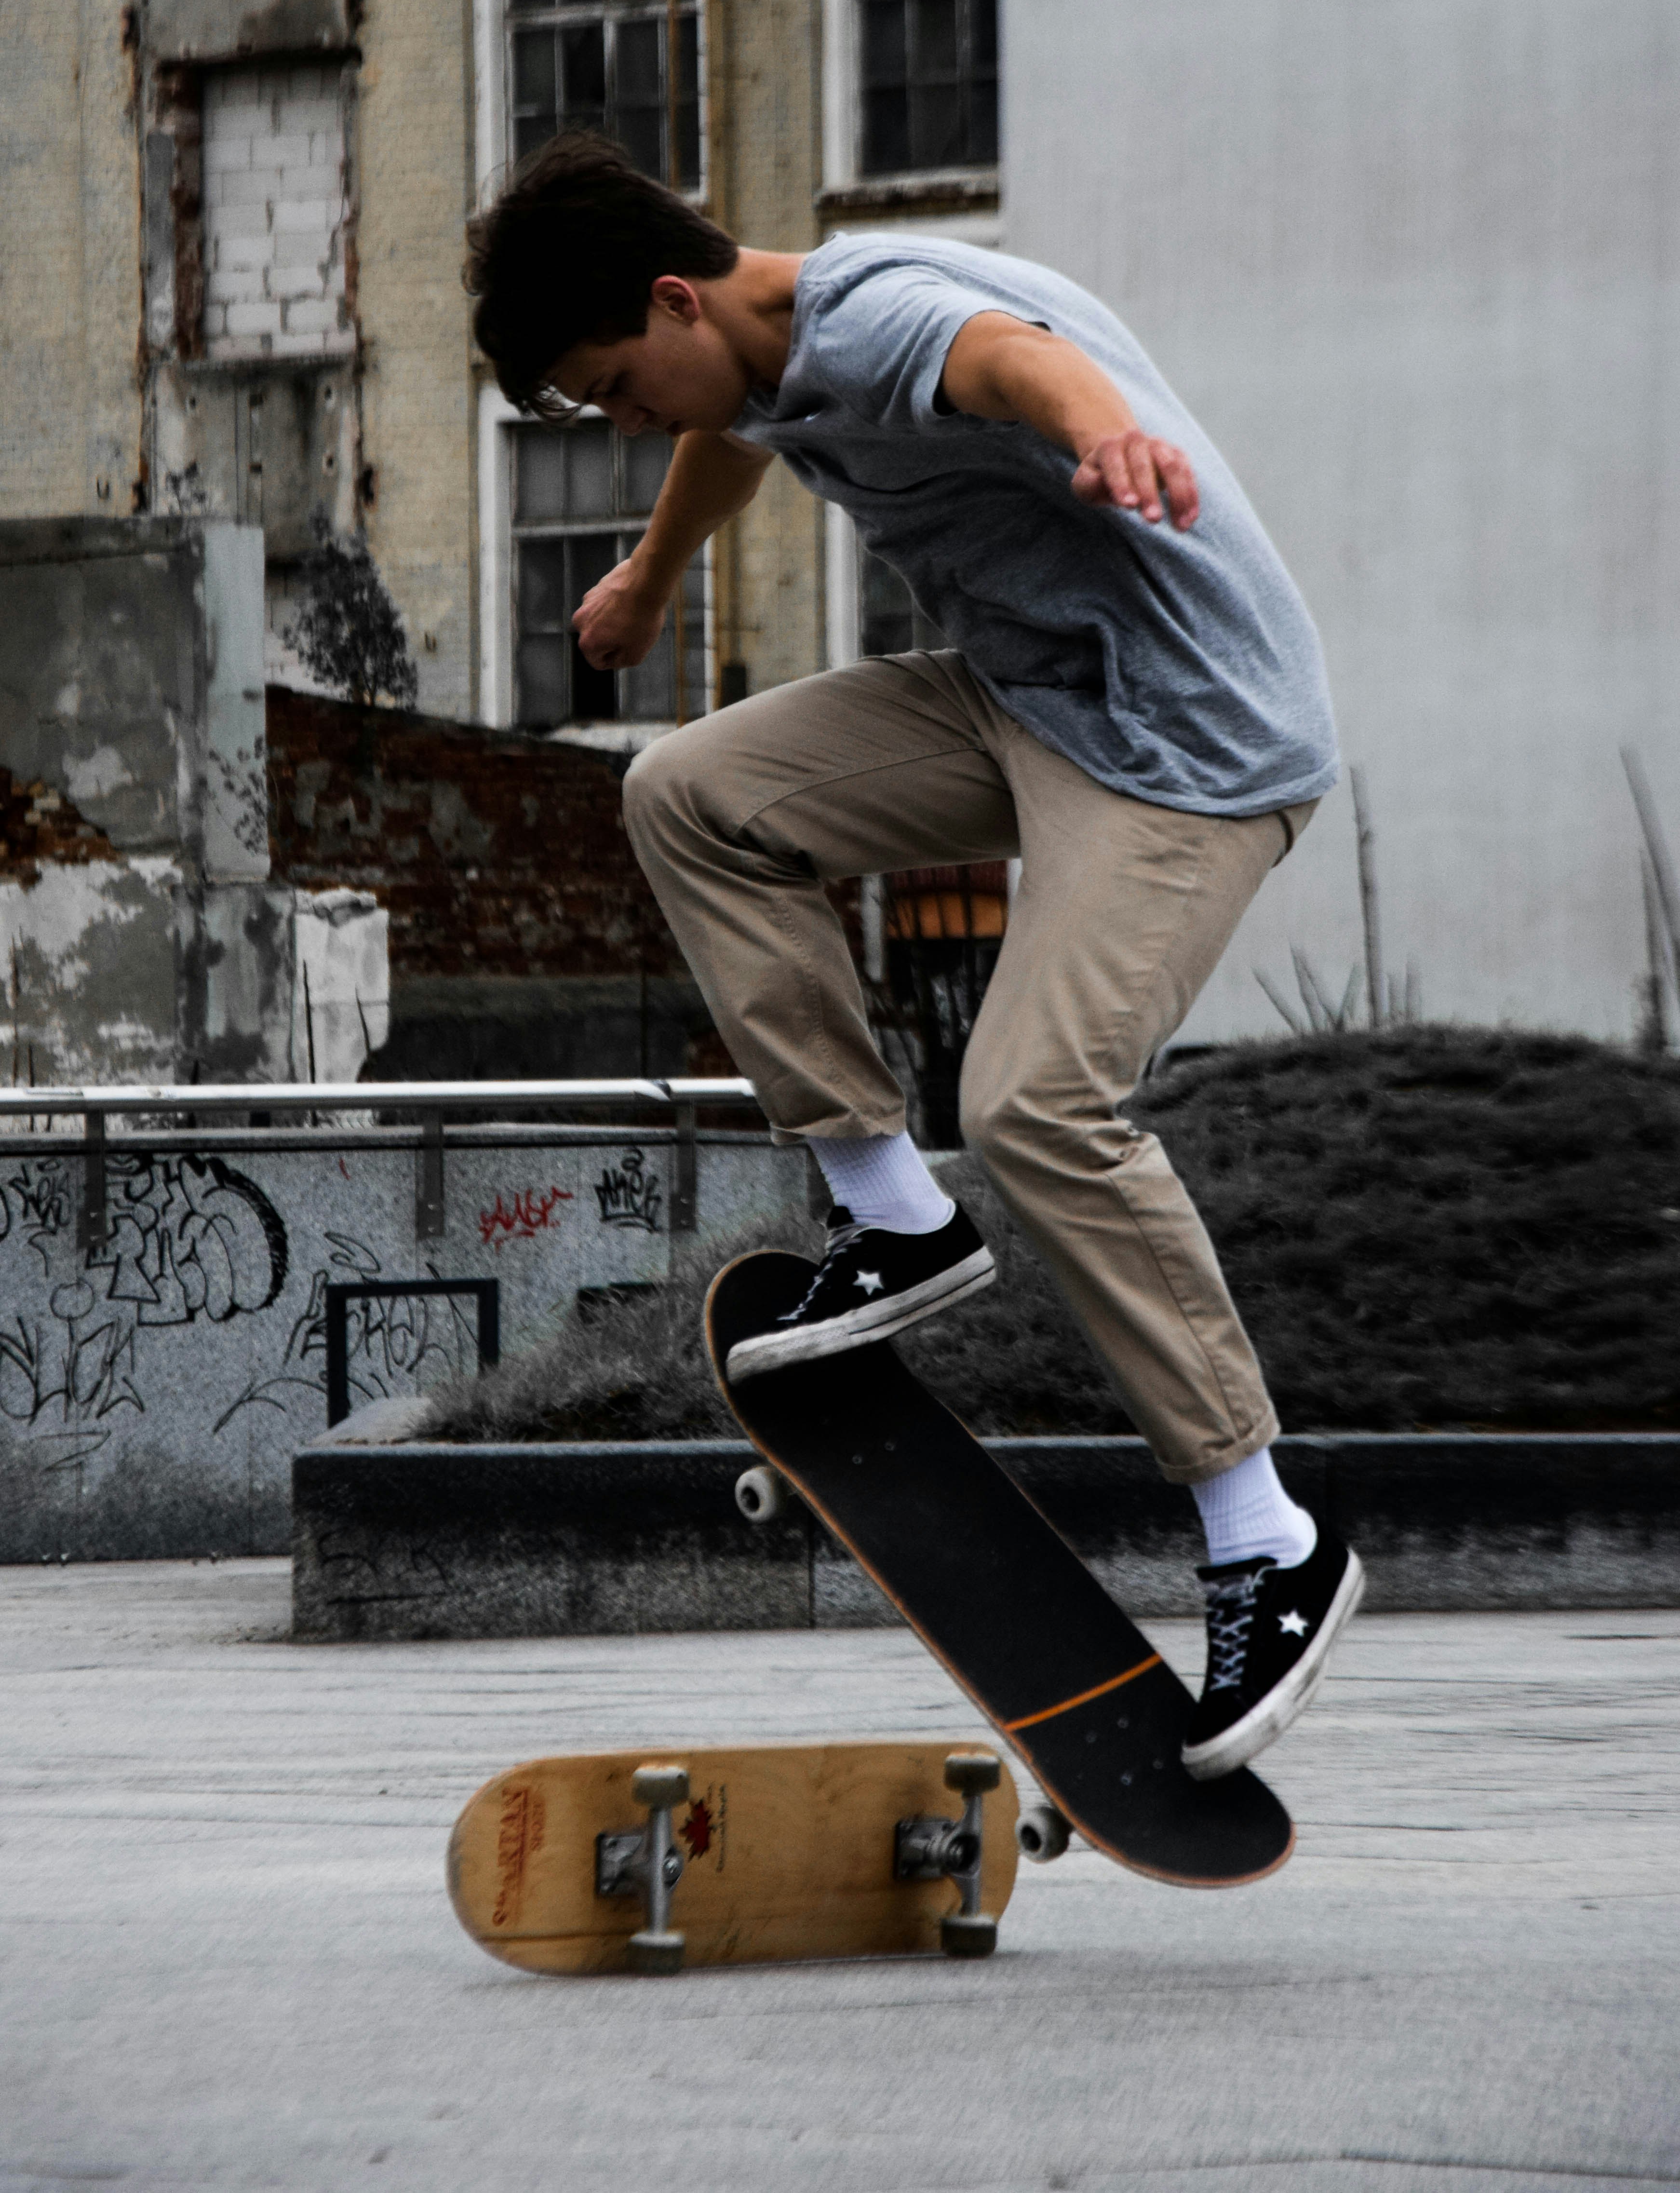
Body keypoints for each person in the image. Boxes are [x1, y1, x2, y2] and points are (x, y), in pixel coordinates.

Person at [465, 132, 1364, 1781]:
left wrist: (1108, 436)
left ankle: (1266, 1537)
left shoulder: (874, 317)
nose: (626, 422)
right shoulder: (758, 348)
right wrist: (655, 578)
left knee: (1037, 1101)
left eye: (612, 387)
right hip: (1024, 698)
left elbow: (1011, 362)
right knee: (690, 793)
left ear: (672, 297)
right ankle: (895, 1215)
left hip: (1190, 748)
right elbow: (737, 432)